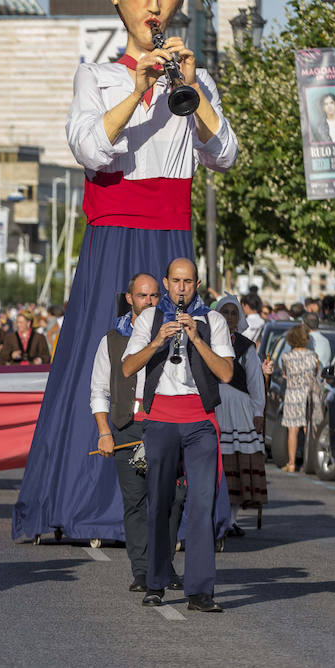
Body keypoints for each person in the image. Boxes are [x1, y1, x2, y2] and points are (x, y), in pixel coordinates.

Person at [14, 0, 237, 546]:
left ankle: (187, 507)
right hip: (114, 239)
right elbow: (91, 149)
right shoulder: (97, 77)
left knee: (180, 361)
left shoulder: (198, 82)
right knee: (103, 360)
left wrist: (193, 95)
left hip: (172, 236)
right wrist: (140, 90)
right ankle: (90, 501)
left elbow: (226, 155)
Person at [121, 258, 233, 613]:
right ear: (166, 284)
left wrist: (196, 338)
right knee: (160, 501)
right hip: (161, 417)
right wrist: (157, 341)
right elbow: (126, 368)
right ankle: (154, 582)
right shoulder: (149, 319)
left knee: (202, 505)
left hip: (200, 420)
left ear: (196, 285)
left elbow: (227, 373)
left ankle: (200, 591)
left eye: (188, 281)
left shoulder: (212, 321)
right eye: (176, 281)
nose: (182, 288)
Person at [89, 272, 185, 592]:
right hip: (127, 427)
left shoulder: (174, 332)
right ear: (129, 298)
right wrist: (104, 432)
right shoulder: (112, 339)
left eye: (155, 296)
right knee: (136, 500)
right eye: (143, 296)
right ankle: (142, 569)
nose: (150, 302)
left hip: (165, 425)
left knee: (172, 499)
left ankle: (164, 564)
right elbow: (99, 391)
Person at [212, 295, 267, 536]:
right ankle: (214, 517)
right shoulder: (207, 341)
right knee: (216, 466)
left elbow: (256, 382)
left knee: (236, 463)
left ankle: (231, 520)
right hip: (213, 407)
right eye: (225, 312)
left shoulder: (246, 347)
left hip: (239, 411)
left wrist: (258, 411)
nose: (230, 317)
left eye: (234, 313)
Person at [278, 324, 318, 473]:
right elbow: (317, 375)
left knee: (292, 430)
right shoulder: (313, 356)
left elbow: (285, 375)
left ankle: (292, 463)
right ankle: (311, 462)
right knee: (309, 429)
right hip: (308, 395)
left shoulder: (286, 357)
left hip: (292, 395)